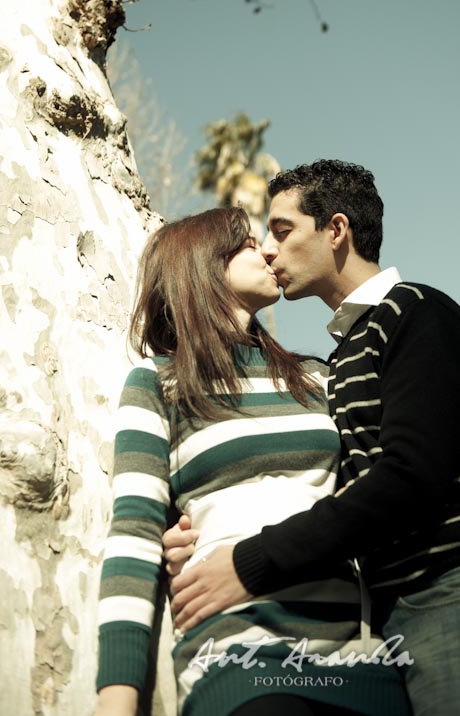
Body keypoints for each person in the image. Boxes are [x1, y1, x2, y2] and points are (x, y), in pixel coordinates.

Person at [164, 161, 460, 716]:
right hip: (391, 616)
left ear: (336, 230)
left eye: (282, 231)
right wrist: (192, 532)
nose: (270, 251)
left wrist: (251, 561)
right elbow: (326, 487)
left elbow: (408, 479)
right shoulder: (341, 358)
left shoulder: (417, 314)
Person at [94, 207, 407, 716]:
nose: (267, 250)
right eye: (245, 243)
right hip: (239, 660)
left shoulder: (317, 378)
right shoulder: (158, 383)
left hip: (361, 660)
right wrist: (117, 701)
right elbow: (133, 537)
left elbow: (374, 495)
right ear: (201, 264)